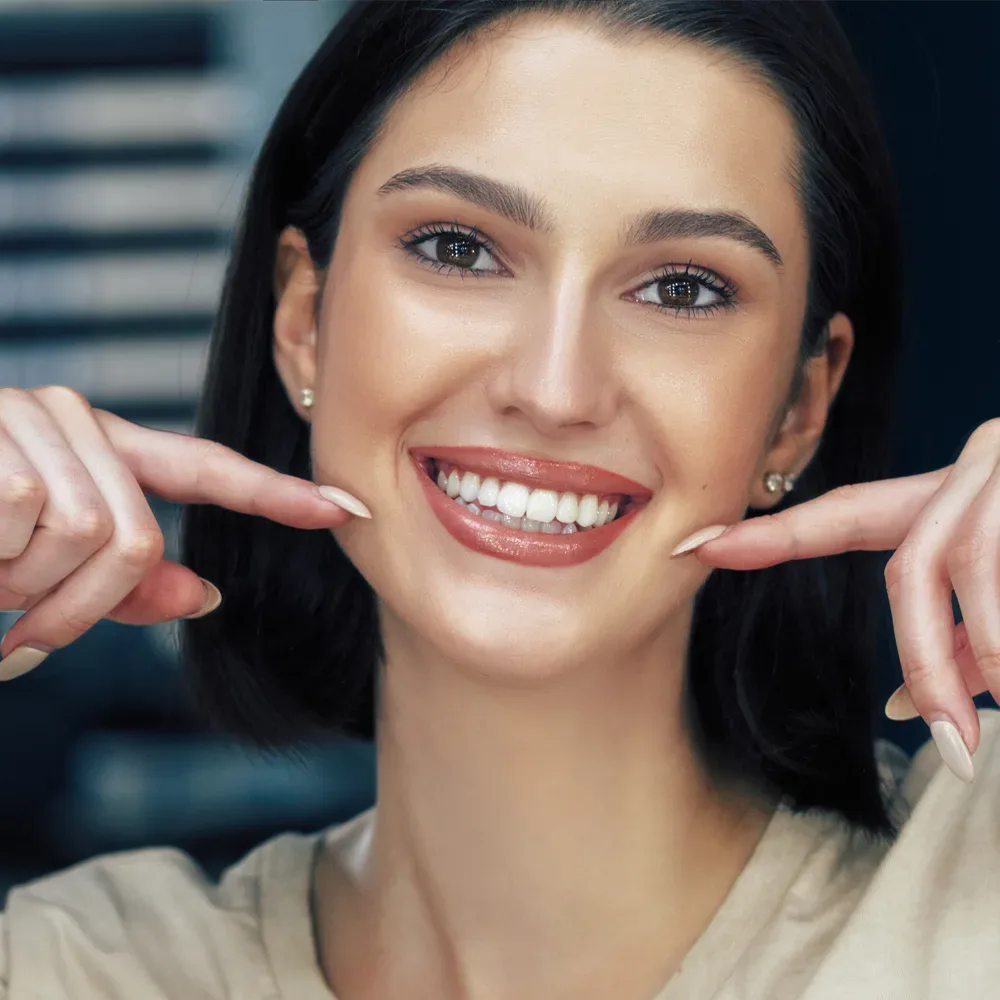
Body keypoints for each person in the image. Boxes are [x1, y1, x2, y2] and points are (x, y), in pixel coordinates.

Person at [0, 1, 998, 997]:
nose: (554, 388)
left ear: (797, 405)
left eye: (683, 288)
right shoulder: (74, 968)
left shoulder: (971, 895)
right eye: (457, 248)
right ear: (305, 319)